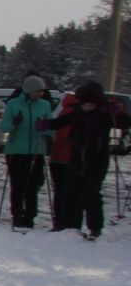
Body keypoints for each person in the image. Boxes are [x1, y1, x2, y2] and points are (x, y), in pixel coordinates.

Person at [38, 80, 129, 239]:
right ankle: (64, 225)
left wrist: (118, 112)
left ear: (97, 104)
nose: (87, 108)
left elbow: (125, 122)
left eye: (90, 105)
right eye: (84, 104)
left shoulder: (105, 115)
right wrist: (45, 124)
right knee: (69, 193)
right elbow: (61, 122)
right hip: (76, 160)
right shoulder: (78, 113)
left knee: (90, 194)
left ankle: (95, 228)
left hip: (97, 161)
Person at [0, 76, 56, 228]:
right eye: (37, 91)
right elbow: (3, 127)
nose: (40, 94)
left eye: (42, 91)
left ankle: (30, 216)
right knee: (18, 184)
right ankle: (17, 214)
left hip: (37, 150)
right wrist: (14, 123)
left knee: (33, 185)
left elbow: (50, 126)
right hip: (16, 150)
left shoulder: (44, 105)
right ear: (28, 91)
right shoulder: (13, 104)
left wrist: (45, 128)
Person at [45, 88, 80, 230]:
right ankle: (67, 222)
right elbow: (68, 137)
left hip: (57, 157)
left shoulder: (63, 111)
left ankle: (60, 220)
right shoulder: (75, 114)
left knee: (59, 191)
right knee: (69, 192)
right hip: (69, 158)